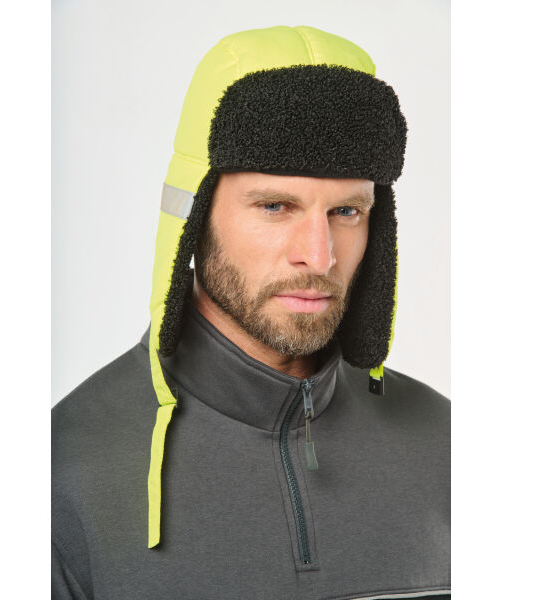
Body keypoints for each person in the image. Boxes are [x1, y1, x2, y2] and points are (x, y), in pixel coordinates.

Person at [52, 25, 450, 600]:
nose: (319, 255)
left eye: (346, 212)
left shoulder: (449, 446)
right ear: (195, 220)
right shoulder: (62, 471)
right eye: (275, 206)